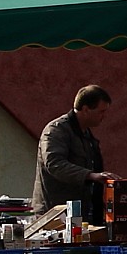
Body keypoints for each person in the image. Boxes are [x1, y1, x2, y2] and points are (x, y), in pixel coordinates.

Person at [34, 85, 118, 215]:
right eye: (101, 111)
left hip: (80, 213)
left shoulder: (86, 135)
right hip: (55, 216)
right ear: (85, 109)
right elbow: (55, 164)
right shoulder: (56, 130)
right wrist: (90, 175)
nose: (104, 116)